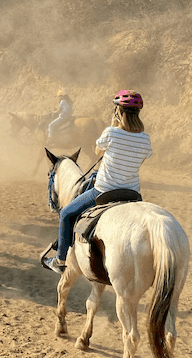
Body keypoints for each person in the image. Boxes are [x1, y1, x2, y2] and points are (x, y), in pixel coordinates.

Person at [44, 90, 152, 274]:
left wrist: (113, 126)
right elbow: (137, 162)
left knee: (67, 214)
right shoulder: (145, 139)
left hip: (104, 191)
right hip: (133, 194)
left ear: (118, 112)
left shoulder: (111, 133)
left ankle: (60, 260)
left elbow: (97, 152)